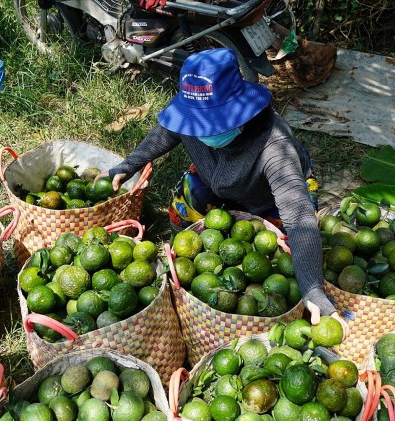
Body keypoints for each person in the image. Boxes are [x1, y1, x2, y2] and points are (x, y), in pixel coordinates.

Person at [98, 48, 347, 333]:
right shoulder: (191, 117)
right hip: (213, 179)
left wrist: (313, 290)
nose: (201, 132)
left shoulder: (274, 147)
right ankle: (192, 256)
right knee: (185, 204)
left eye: (213, 124)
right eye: (196, 124)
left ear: (240, 111)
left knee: (280, 260)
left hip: (269, 197)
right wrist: (128, 165)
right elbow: (167, 132)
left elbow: (299, 219)